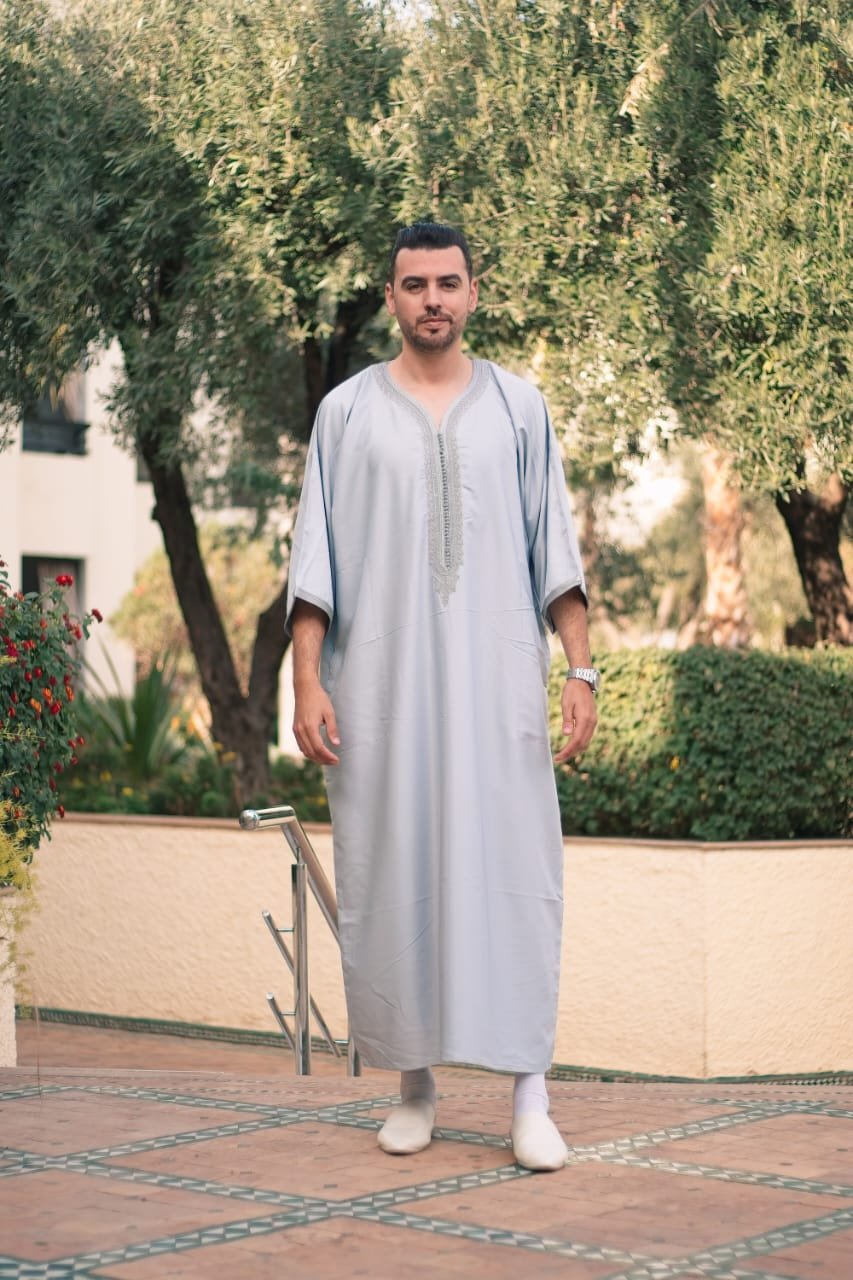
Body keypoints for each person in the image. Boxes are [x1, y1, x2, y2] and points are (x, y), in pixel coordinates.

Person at [287, 221, 598, 1172]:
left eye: (448, 283)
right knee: (394, 870)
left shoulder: (518, 408)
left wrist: (579, 669)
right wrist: (306, 680)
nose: (432, 299)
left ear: (472, 292)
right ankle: (413, 1086)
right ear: (390, 297)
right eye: (414, 284)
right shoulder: (345, 413)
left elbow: (554, 549)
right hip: (382, 693)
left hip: (498, 690)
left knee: (515, 873)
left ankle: (529, 1096)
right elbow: (313, 561)